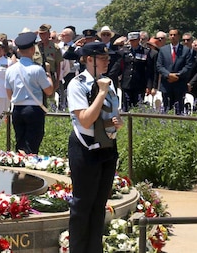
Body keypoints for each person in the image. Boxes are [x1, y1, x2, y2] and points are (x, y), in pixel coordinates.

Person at [67, 42, 122, 253]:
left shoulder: (108, 83)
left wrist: (117, 121)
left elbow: (112, 114)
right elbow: (86, 120)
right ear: (88, 59)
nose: (107, 61)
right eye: (102, 58)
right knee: (82, 206)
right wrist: (101, 93)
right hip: (85, 148)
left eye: (108, 58)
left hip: (107, 146)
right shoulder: (77, 84)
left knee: (99, 206)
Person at [5, 32, 53, 154]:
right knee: (32, 146)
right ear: (32, 49)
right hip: (33, 109)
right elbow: (49, 90)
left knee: (20, 144)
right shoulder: (37, 69)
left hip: (17, 108)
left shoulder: (10, 70)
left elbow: (9, 93)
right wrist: (48, 74)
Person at [156, 28, 195, 114]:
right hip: (166, 84)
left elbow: (188, 66)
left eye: (175, 35)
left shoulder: (185, 50)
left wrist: (177, 75)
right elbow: (159, 66)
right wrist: (168, 75)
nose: (173, 37)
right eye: (171, 35)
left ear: (179, 36)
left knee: (179, 110)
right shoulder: (163, 50)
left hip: (179, 84)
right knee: (167, 108)